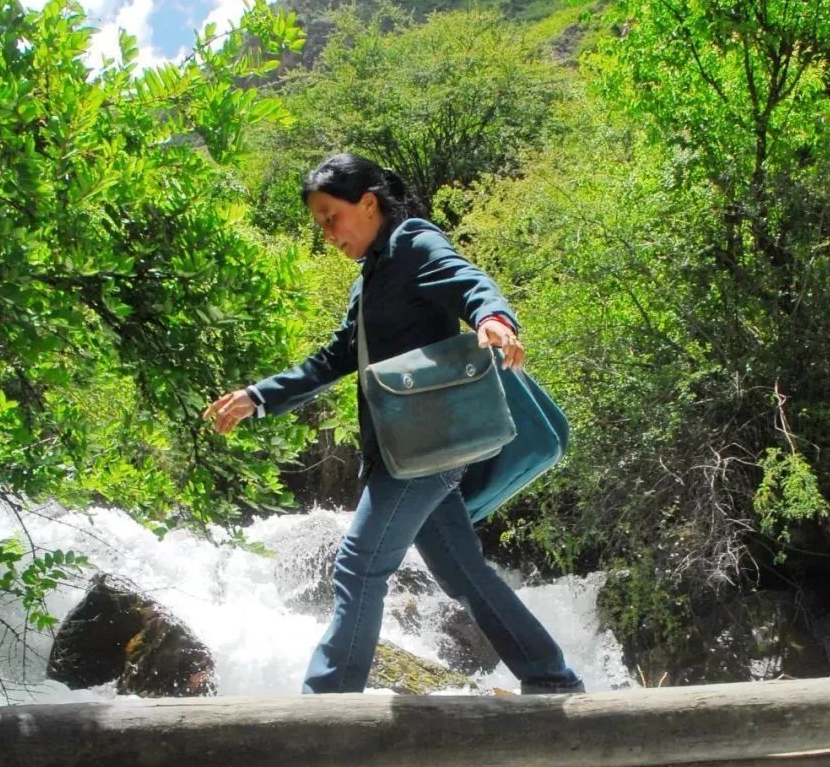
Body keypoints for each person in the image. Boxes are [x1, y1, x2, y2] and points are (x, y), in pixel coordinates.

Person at [206, 152, 585, 697]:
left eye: (330, 216)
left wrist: (495, 320)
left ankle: (330, 705)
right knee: (463, 574)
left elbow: (469, 280)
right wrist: (257, 397)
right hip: (403, 451)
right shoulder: (368, 280)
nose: (327, 233)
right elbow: (334, 357)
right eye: (318, 224)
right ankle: (552, 677)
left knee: (358, 568)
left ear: (367, 203)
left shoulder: (414, 243)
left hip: (427, 451)